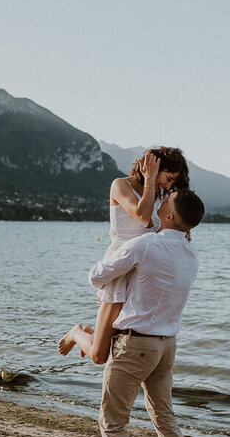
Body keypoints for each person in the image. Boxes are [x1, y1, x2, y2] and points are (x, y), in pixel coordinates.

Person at [63, 189, 206, 437]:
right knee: (167, 422)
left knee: (112, 423)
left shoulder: (145, 245)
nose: (157, 208)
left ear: (168, 217)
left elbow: (96, 276)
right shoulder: (191, 254)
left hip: (135, 346)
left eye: (163, 205)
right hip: (166, 346)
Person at [58, 147, 190, 361]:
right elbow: (142, 215)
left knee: (127, 339)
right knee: (99, 356)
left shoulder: (159, 195)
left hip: (140, 276)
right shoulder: (121, 185)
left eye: (173, 183)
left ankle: (95, 335)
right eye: (168, 178)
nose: (168, 185)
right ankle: (76, 333)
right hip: (119, 273)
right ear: (153, 167)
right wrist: (150, 180)